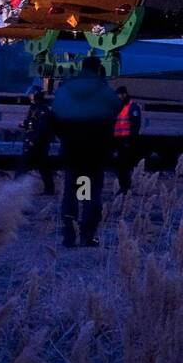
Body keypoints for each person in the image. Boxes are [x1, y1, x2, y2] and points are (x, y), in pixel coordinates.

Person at [52, 57, 121, 247]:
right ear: (98, 69)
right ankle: (87, 235)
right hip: (94, 151)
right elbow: (117, 107)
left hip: (72, 149)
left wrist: (65, 135)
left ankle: (69, 235)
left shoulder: (66, 88)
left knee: (70, 192)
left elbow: (55, 114)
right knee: (89, 192)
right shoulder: (102, 89)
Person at [18, 89, 56, 195]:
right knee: (43, 167)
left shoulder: (42, 110)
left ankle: (15, 188)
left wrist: (33, 141)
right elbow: (32, 122)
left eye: (31, 95)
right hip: (35, 142)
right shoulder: (34, 108)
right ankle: (49, 189)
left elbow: (42, 129)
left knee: (24, 167)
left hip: (37, 143)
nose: (30, 97)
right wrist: (24, 124)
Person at [113, 86, 144, 195]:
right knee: (120, 166)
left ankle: (125, 188)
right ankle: (124, 187)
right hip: (118, 140)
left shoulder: (132, 107)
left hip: (127, 141)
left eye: (120, 95)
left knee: (124, 166)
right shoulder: (118, 107)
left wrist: (129, 140)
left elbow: (135, 125)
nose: (118, 97)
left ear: (124, 94)